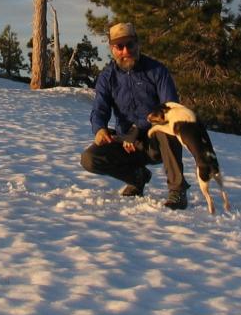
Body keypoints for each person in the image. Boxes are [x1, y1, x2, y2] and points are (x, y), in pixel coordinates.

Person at [80, 22, 190, 209]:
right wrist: (99, 129)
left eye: (129, 45)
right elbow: (99, 109)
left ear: (137, 43)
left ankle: (177, 191)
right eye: (119, 46)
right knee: (90, 158)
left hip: (155, 142)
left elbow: (170, 109)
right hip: (126, 143)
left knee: (168, 130)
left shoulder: (157, 71)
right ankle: (137, 177)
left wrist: (137, 130)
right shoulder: (107, 77)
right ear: (112, 48)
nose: (125, 51)